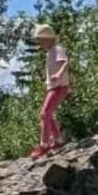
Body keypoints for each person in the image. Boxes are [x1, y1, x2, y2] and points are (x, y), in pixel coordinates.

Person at [30, 24, 70, 159]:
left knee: (44, 114)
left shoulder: (57, 49)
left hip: (59, 87)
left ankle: (44, 145)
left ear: (47, 39)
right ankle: (58, 140)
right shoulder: (50, 52)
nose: (39, 43)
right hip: (53, 87)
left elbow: (65, 62)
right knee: (49, 114)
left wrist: (58, 74)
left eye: (40, 40)